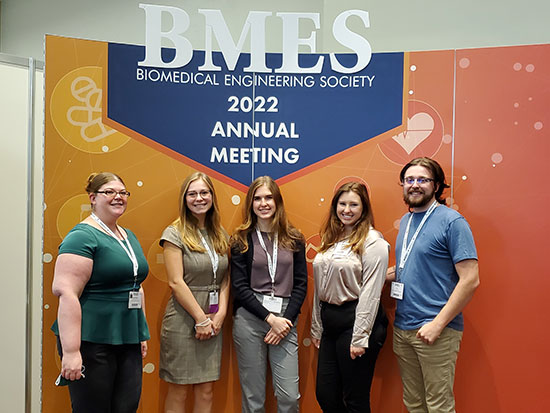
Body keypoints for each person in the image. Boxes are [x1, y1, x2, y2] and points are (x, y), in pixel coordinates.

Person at [51, 172, 149, 413]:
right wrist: (72, 352)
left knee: (126, 407)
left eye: (123, 193)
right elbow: (66, 293)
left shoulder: (128, 236)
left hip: (128, 338)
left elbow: (135, 284)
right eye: (110, 192)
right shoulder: (82, 236)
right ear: (93, 198)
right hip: (91, 341)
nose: (118, 197)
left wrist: (141, 333)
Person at [388, 157, 480, 413]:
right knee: (414, 404)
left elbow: (470, 279)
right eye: (409, 180)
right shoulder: (406, 222)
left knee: (438, 406)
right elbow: (414, 264)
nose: (415, 185)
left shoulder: (453, 221)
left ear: (437, 185)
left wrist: (438, 324)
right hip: (404, 329)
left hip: (435, 331)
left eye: (423, 180)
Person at [311, 182, 390, 413]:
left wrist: (360, 337)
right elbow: (320, 288)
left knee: (355, 399)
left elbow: (371, 293)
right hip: (330, 322)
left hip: (356, 320)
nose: (347, 209)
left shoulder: (373, 241)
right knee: (325, 395)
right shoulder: (330, 239)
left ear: (364, 209)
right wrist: (317, 327)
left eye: (353, 204)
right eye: (342, 204)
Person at [231, 176, 307, 413]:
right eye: (258, 198)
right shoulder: (240, 239)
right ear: (250, 203)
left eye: (268, 198)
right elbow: (239, 287)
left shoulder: (294, 238)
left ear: (277, 202)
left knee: (289, 397)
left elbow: (301, 284)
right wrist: (269, 319)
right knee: (253, 398)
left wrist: (284, 322)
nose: (263, 203)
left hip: (286, 320)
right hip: (251, 320)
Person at [159, 172, 230, 413]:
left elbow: (225, 277)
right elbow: (176, 282)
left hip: (213, 319)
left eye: (204, 193)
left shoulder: (220, 233)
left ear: (212, 196)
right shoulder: (173, 233)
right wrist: (200, 319)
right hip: (183, 319)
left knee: (206, 390)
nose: (199, 198)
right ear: (184, 198)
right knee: (179, 390)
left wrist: (220, 314)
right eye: (192, 194)